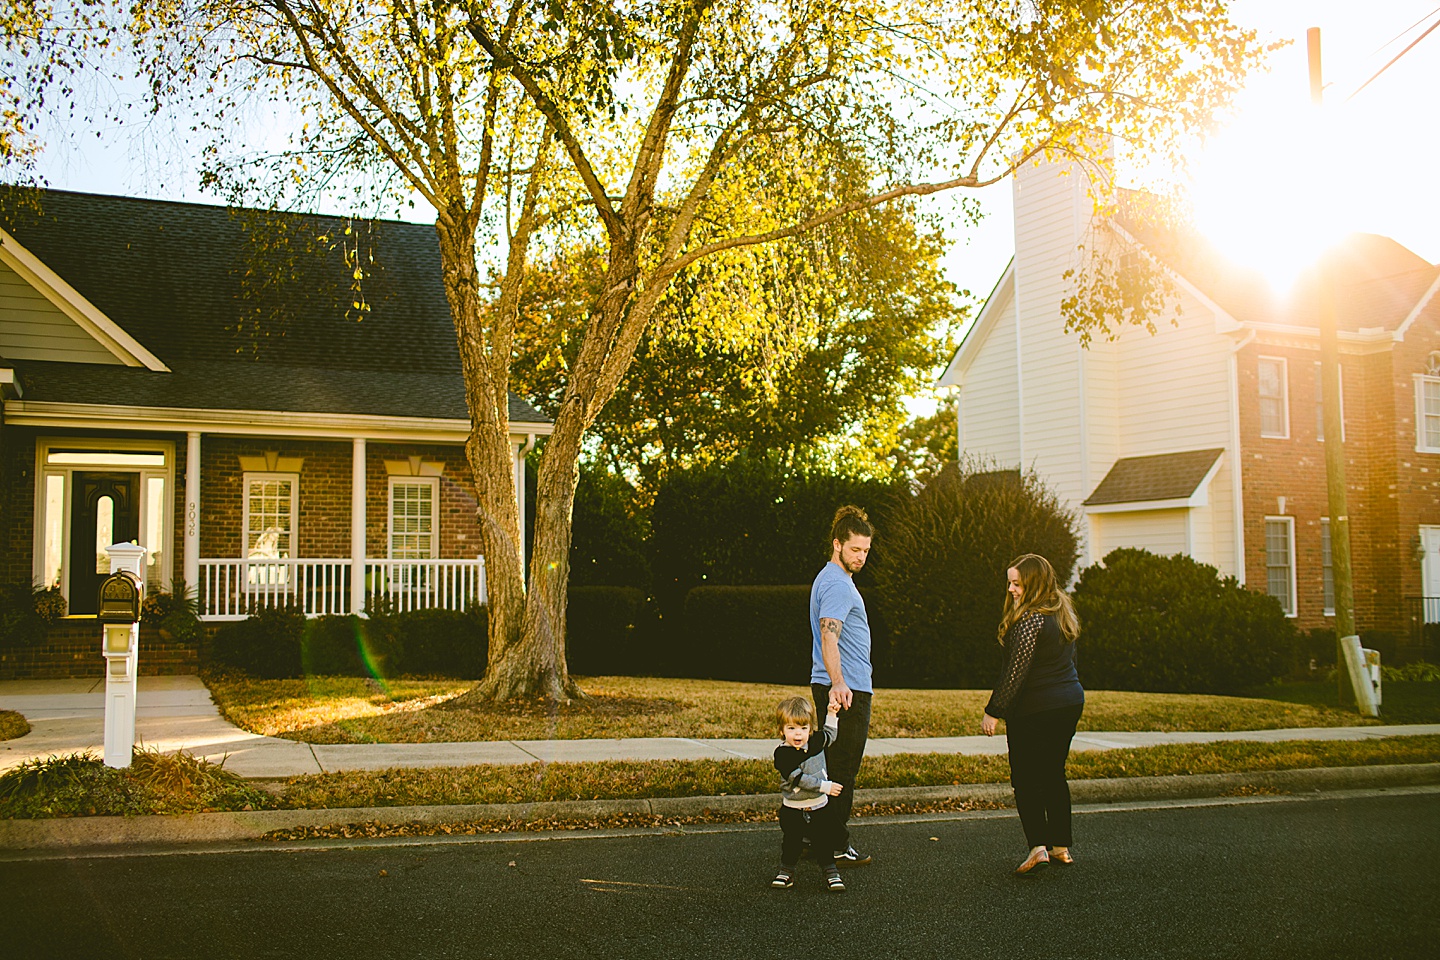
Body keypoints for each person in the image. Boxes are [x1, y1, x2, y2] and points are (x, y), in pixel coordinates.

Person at [981, 553, 1084, 876]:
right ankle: (1060, 847)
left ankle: (1037, 847)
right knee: (1053, 773)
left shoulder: (1030, 621)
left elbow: (1015, 673)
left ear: (1033, 584)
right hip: (1069, 702)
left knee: (1025, 778)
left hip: (1035, 709)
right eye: (1010, 583)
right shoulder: (1062, 613)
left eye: (1017, 584)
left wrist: (993, 712)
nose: (1011, 589)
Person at [809, 504, 874, 867]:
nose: (861, 557)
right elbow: (828, 635)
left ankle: (814, 834)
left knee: (831, 764)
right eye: (854, 549)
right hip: (845, 688)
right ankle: (834, 844)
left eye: (865, 550)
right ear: (837, 544)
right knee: (843, 768)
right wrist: (839, 683)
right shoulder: (836, 583)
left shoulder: (831, 579)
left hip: (839, 684)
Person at [771, 695, 846, 893]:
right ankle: (786, 871)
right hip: (793, 808)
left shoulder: (815, 742)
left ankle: (831, 872)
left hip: (819, 806)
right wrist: (825, 786)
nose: (798, 734)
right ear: (781, 730)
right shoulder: (783, 754)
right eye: (792, 728)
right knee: (792, 841)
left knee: (824, 840)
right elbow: (797, 778)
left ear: (810, 729)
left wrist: (831, 713)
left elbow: (830, 734)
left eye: (804, 728)